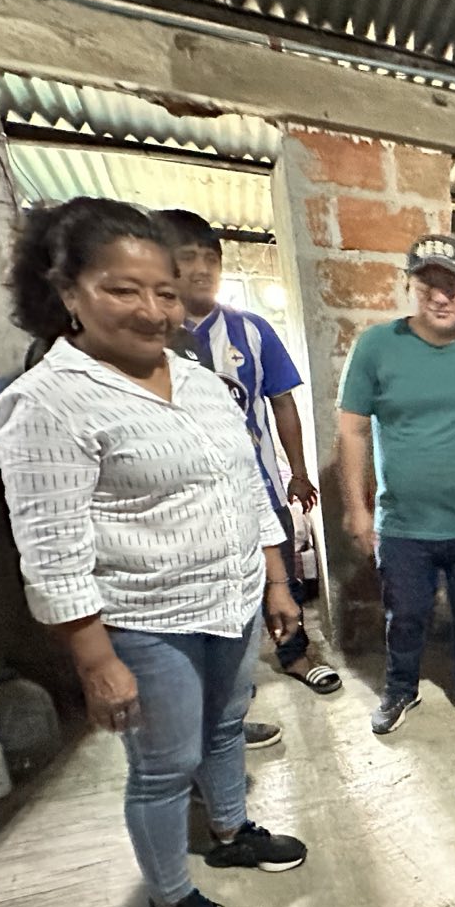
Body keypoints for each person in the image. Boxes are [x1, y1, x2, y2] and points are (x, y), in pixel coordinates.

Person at [0, 198, 308, 907]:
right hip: (146, 618)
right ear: (68, 292)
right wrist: (96, 661)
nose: (151, 310)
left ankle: (230, 831)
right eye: (122, 290)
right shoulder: (51, 399)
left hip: (231, 597)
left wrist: (275, 581)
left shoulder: (198, 381)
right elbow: (51, 547)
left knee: (226, 726)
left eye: (165, 292)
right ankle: (171, 904)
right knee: (164, 766)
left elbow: (246, 486)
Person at [156, 208, 343, 697]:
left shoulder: (252, 330)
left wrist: (297, 472)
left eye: (211, 259)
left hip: (258, 487)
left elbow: (282, 403)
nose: (202, 269)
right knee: (208, 588)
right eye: (188, 258)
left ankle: (295, 654)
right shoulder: (152, 336)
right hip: (186, 499)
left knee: (281, 576)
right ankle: (225, 681)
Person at [336, 234, 455, 736]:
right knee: (406, 614)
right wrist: (356, 509)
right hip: (403, 523)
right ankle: (400, 687)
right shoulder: (376, 346)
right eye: (426, 284)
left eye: (451, 285)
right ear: (410, 288)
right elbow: (351, 430)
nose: (439, 296)